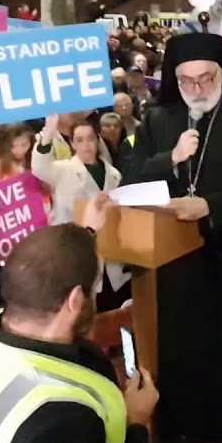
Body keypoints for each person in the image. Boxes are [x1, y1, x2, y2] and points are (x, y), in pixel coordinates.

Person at [127, 32, 222, 443]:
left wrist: (209, 206)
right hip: (172, 265)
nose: (197, 90)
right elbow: (132, 179)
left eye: (206, 79)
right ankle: (181, 428)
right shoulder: (156, 121)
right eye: (187, 81)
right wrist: (169, 159)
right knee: (179, 352)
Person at [34, 119, 129, 312]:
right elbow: (40, 167)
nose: (86, 145)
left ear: (98, 140)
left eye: (90, 139)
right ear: (72, 143)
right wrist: (48, 134)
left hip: (111, 255)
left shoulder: (114, 174)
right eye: (79, 140)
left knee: (114, 311)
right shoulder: (62, 170)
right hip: (76, 251)